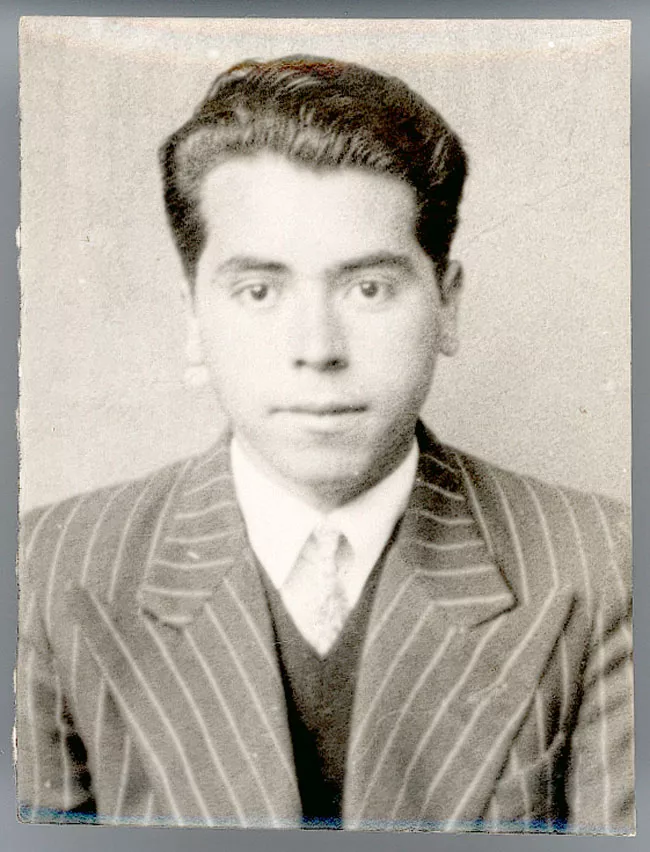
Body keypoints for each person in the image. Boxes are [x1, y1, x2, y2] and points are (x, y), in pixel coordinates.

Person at [16, 56, 633, 834]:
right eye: (259, 291)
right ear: (193, 319)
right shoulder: (45, 572)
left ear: (446, 305)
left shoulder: (605, 567)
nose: (317, 348)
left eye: (368, 288)